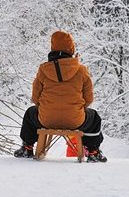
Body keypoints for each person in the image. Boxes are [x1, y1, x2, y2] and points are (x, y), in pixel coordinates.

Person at [14, 30, 107, 163]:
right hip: (76, 120)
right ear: (71, 49)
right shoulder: (81, 70)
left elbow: (35, 98)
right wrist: (78, 108)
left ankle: (27, 147)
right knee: (94, 118)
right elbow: (89, 98)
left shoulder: (43, 69)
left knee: (30, 113)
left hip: (46, 119)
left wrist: (47, 108)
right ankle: (93, 151)